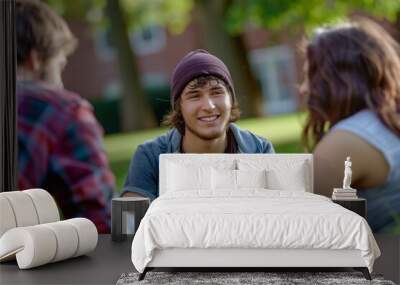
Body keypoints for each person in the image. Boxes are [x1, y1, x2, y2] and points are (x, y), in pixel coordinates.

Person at [16, 0, 115, 233]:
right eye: (59, 65)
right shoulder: (61, 111)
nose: (60, 81)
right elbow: (99, 222)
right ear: (36, 59)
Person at [122, 49, 275, 200]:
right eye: (194, 96)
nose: (208, 106)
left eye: (217, 92)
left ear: (231, 100)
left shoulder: (259, 149)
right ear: (179, 107)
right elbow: (130, 221)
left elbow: (278, 216)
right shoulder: (151, 156)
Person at [301, 18, 400, 233]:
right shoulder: (388, 122)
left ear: (334, 79)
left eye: (310, 76)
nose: (304, 89)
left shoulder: (346, 142)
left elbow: (297, 227)